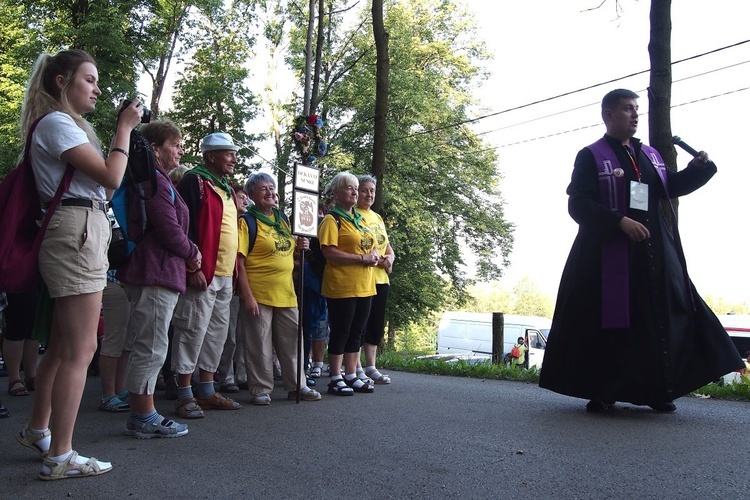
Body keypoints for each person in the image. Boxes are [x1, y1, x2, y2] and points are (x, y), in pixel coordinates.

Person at [538, 88, 744, 413]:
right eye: (626, 109)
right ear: (608, 114)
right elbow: (578, 204)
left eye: (637, 109)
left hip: (655, 253)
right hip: (606, 256)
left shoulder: (650, 155)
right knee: (611, 322)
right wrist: (618, 221)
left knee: (659, 320)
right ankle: (603, 391)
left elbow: (669, 188)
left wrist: (697, 170)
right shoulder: (591, 155)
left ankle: (658, 390)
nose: (635, 115)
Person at [15, 49, 142, 480]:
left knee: (60, 342)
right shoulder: (56, 124)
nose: (98, 88)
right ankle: (61, 455)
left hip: (78, 228)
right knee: (81, 348)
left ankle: (38, 430)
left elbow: (102, 190)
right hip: (76, 231)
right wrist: (124, 128)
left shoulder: (64, 126)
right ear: (61, 82)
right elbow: (111, 178)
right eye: (89, 79)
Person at [116, 119, 200, 438]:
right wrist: (193, 251)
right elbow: (168, 228)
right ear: (155, 149)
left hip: (157, 271)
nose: (180, 149)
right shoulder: (154, 181)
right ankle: (144, 414)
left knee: (152, 343)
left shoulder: (157, 180)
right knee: (151, 345)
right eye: (174, 144)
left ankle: (144, 411)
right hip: (155, 272)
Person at [170, 132, 242, 418]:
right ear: (210, 156)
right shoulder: (193, 181)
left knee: (216, 333)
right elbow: (184, 227)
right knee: (191, 330)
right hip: (204, 271)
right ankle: (184, 393)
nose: (234, 159)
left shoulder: (226, 188)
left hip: (226, 274)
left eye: (234, 153)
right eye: (228, 153)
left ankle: (208, 390)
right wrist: (193, 267)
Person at [237, 173, 321, 404]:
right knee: (259, 344)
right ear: (252, 194)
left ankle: (298, 385)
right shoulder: (247, 222)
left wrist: (301, 246)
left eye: (272, 187)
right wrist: (247, 297)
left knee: (292, 341)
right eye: (263, 188)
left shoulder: (282, 219)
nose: (270, 192)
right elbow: (239, 263)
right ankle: (261, 389)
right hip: (259, 293)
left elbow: (290, 252)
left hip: (286, 292)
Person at [319, 172, 377, 395]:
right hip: (342, 286)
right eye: (349, 188)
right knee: (341, 331)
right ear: (336, 192)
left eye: (356, 187)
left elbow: (372, 243)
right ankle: (335, 377)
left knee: (357, 332)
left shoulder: (360, 220)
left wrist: (372, 255)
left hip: (365, 285)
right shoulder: (332, 220)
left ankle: (351, 374)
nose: (354, 192)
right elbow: (329, 252)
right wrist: (362, 259)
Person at [356, 175, 395, 384]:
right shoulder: (354, 215)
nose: (369, 194)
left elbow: (387, 246)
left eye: (372, 190)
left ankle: (371, 366)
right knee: (359, 324)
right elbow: (363, 245)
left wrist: (390, 258)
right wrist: (381, 260)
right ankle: (356, 367)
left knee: (375, 324)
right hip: (364, 278)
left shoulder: (377, 217)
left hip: (381, 279)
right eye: (364, 190)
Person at [216, 186, 251, 394]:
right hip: (229, 281)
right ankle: (226, 376)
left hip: (245, 285)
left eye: (247, 198)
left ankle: (244, 375)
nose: (245, 201)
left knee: (244, 334)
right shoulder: (226, 221)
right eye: (241, 197)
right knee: (228, 335)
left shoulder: (247, 224)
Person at [97, 269, 131, 412]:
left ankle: (119, 390)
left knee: (127, 341)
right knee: (114, 338)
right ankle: (108, 395)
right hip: (115, 280)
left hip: (129, 281)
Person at [4, 291, 40, 397]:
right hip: (13, 281)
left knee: (33, 326)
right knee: (16, 323)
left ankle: (31, 376)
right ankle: (14, 378)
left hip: (35, 279)